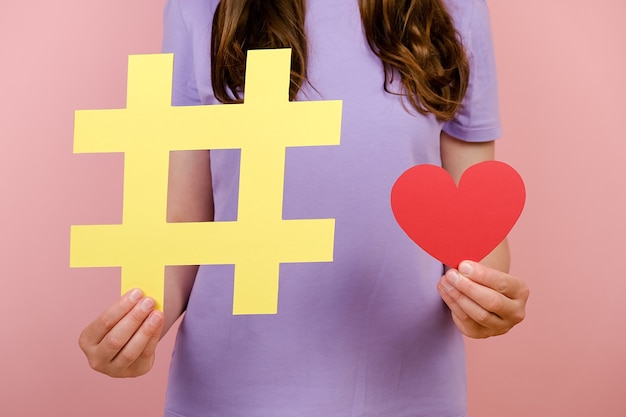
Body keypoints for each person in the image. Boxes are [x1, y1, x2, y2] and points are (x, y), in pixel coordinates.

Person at [79, 0, 529, 416]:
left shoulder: (451, 7)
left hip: (408, 390)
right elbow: (185, 222)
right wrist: (138, 327)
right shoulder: (199, 7)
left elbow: (473, 215)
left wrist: (486, 301)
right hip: (234, 391)